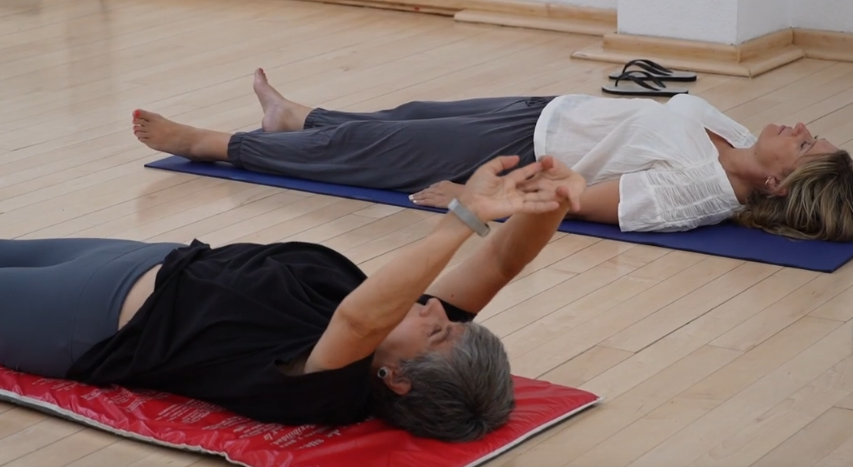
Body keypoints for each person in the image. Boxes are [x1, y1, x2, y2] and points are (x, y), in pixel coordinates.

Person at [0, 155, 586, 442]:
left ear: (397, 379)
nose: (437, 309)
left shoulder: (332, 388)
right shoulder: (408, 327)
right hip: (149, 260)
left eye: (439, 330)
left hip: (81, 319)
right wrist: (556, 199)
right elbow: (502, 262)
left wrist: (463, 217)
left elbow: (358, 320)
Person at [132, 69, 853, 241]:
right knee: (406, 116)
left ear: (779, 182)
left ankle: (208, 143)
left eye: (804, 141)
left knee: (362, 151)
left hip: (512, 150)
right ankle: (293, 116)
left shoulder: (697, 193)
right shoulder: (737, 138)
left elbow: (574, 201)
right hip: (543, 111)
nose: (797, 125)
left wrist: (478, 199)